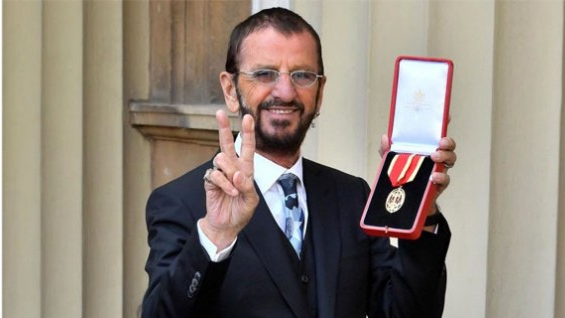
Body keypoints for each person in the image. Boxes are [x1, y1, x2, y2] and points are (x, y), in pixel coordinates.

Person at [141, 7, 457, 318]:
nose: (285, 91)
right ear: (230, 89)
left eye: (302, 75)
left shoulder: (352, 196)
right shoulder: (181, 202)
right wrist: (214, 235)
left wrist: (422, 209)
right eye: (264, 74)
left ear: (319, 93)